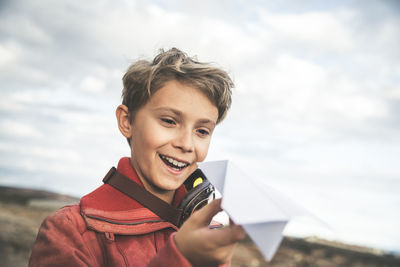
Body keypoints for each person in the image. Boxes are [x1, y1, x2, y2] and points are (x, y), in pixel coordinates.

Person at [29, 48, 245, 266]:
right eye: (169, 121)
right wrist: (180, 257)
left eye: (202, 131)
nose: (186, 144)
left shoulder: (207, 234)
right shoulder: (71, 232)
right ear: (127, 121)